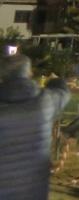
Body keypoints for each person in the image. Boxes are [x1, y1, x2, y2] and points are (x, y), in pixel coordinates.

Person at [0, 51, 71, 200]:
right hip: (34, 191)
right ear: (28, 72)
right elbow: (64, 93)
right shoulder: (44, 101)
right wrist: (55, 81)